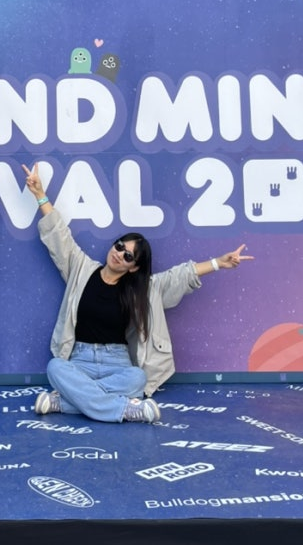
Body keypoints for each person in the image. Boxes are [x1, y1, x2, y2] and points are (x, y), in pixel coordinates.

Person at [22, 162, 254, 424]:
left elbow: (180, 275)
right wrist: (40, 194)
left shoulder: (143, 290)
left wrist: (218, 263)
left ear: (134, 267)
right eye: (120, 246)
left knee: (138, 378)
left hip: (117, 363)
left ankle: (64, 402)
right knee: (55, 367)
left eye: (128, 256)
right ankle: (125, 409)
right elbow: (59, 237)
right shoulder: (81, 268)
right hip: (80, 360)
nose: (119, 254)